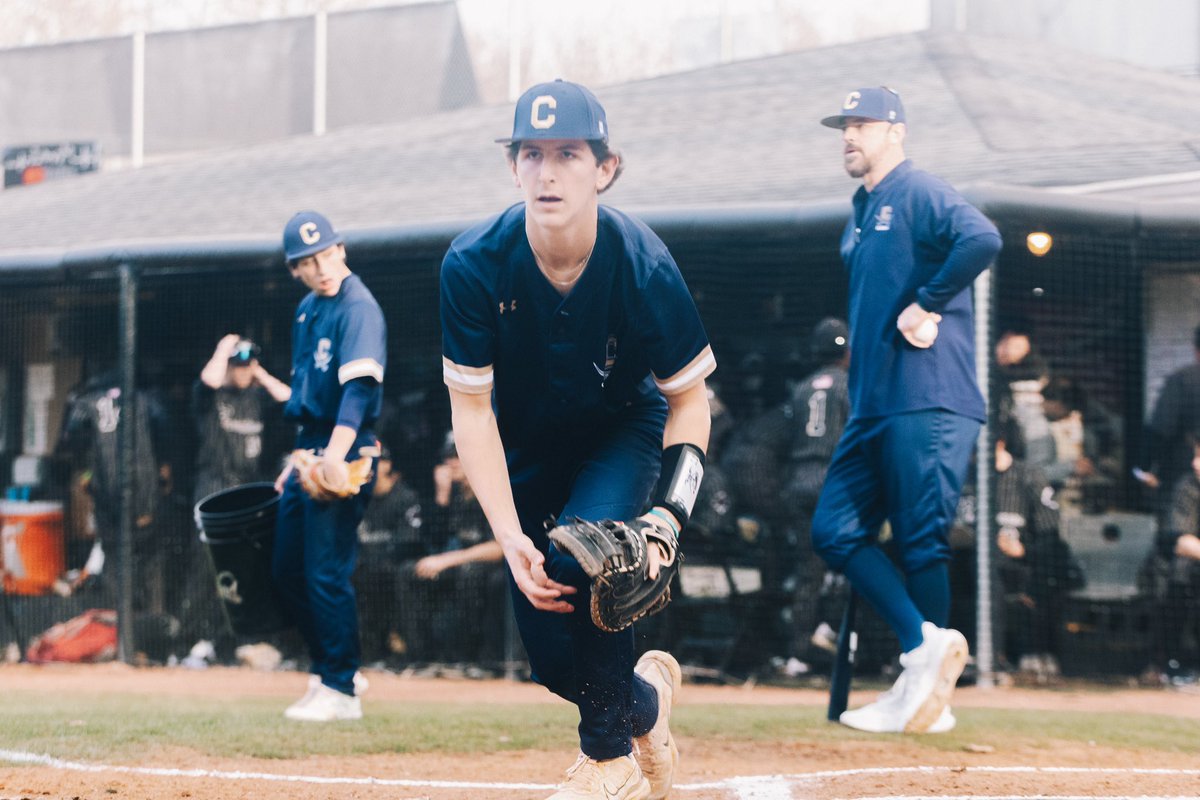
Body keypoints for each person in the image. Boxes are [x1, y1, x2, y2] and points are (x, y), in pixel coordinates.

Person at [439, 79, 714, 799]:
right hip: (526, 447)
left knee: (588, 560)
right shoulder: (472, 264)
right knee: (555, 659)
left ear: (605, 168)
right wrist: (507, 536)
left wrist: (668, 518)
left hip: (620, 431)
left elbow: (690, 401)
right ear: (513, 168)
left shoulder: (643, 263)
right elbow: (472, 413)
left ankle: (608, 763)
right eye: (532, 153)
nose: (548, 171)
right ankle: (647, 704)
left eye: (568, 153)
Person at [810, 87, 1002, 734]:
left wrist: (927, 302)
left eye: (862, 124)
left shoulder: (918, 189)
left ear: (896, 131)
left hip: (928, 396)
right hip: (875, 403)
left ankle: (927, 696)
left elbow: (982, 237)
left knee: (921, 541)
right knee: (833, 531)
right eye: (844, 125)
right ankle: (923, 651)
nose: (848, 135)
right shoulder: (862, 207)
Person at [271, 210, 387, 722]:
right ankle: (332, 671)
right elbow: (306, 397)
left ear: (341, 249)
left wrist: (333, 459)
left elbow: (357, 393)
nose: (320, 268)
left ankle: (341, 688)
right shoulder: (308, 308)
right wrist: (296, 461)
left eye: (326, 255)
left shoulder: (358, 306)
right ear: (294, 269)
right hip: (311, 449)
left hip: (347, 446)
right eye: (308, 262)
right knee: (286, 570)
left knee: (326, 572)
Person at [779, 318, 851, 668]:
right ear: (846, 351)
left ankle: (798, 654)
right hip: (832, 480)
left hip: (800, 479)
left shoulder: (803, 387)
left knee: (808, 570)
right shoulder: (848, 385)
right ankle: (833, 630)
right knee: (846, 562)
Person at [192, 335, 291, 507]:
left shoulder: (258, 397)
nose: (244, 371)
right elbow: (210, 380)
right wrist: (224, 348)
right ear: (227, 366)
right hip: (216, 484)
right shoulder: (211, 396)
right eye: (238, 366)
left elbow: (289, 399)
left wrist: (260, 373)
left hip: (251, 483)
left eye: (248, 365)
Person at [354, 445, 424, 666]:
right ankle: (363, 651)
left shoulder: (405, 496)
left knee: (388, 575)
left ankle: (408, 653)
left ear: (387, 465)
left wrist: (379, 561)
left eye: (376, 462)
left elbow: (410, 542)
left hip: (394, 567)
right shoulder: (358, 498)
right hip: (364, 569)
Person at [1136, 325, 1200, 523]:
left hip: (1182, 478)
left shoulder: (1183, 380)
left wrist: (1143, 468)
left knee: (1176, 532)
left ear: (1196, 349)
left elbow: (1161, 429)